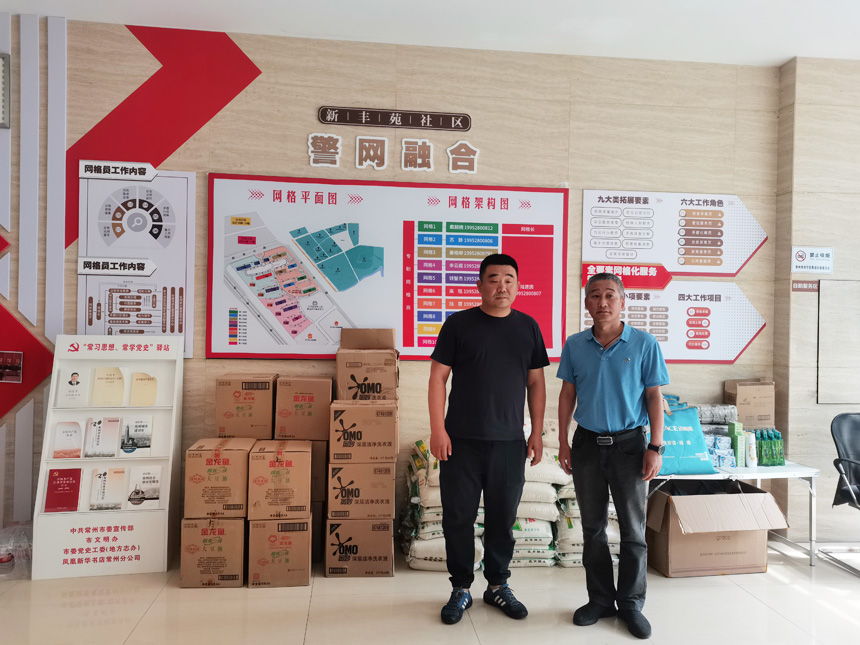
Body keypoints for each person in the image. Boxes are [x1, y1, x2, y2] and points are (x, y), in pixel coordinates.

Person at [428, 253, 549, 625]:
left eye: (509, 279)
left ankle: (497, 585)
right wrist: (437, 429)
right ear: (480, 285)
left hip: (509, 443)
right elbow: (437, 378)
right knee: (458, 518)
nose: (502, 286)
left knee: (502, 519)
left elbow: (536, 383)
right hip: (460, 442)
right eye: (493, 279)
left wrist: (536, 433)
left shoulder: (528, 327)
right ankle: (461, 588)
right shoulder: (458, 324)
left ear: (518, 285)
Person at [556, 272, 669, 640]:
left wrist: (655, 447)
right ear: (586, 302)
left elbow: (654, 396)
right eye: (595, 295)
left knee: (633, 530)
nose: (602, 302)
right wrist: (563, 442)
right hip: (587, 445)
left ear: (623, 300)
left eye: (609, 295)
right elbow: (567, 394)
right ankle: (601, 599)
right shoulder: (575, 345)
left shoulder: (644, 343)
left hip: (630, 446)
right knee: (593, 529)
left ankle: (631, 603)